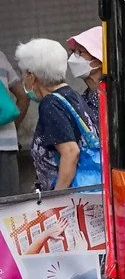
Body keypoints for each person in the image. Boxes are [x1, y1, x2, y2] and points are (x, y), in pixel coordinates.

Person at [14, 39, 100, 193]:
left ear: (32, 76)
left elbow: (70, 152)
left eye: (24, 74)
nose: (22, 79)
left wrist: (56, 196)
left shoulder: (50, 104)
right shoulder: (72, 95)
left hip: (71, 198)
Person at [0, 46, 23, 199]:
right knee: (10, 205)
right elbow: (23, 97)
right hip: (6, 144)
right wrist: (14, 126)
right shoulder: (1, 56)